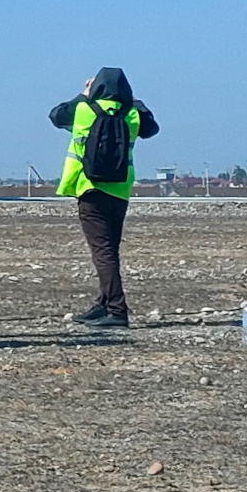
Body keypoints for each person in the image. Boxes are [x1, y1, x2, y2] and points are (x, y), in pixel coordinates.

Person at [49, 67, 158, 329]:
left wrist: (84, 95)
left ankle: (118, 310)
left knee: (103, 251)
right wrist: (134, 101)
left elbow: (55, 115)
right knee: (110, 249)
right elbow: (152, 128)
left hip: (89, 187)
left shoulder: (84, 110)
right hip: (120, 190)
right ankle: (105, 303)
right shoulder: (131, 114)